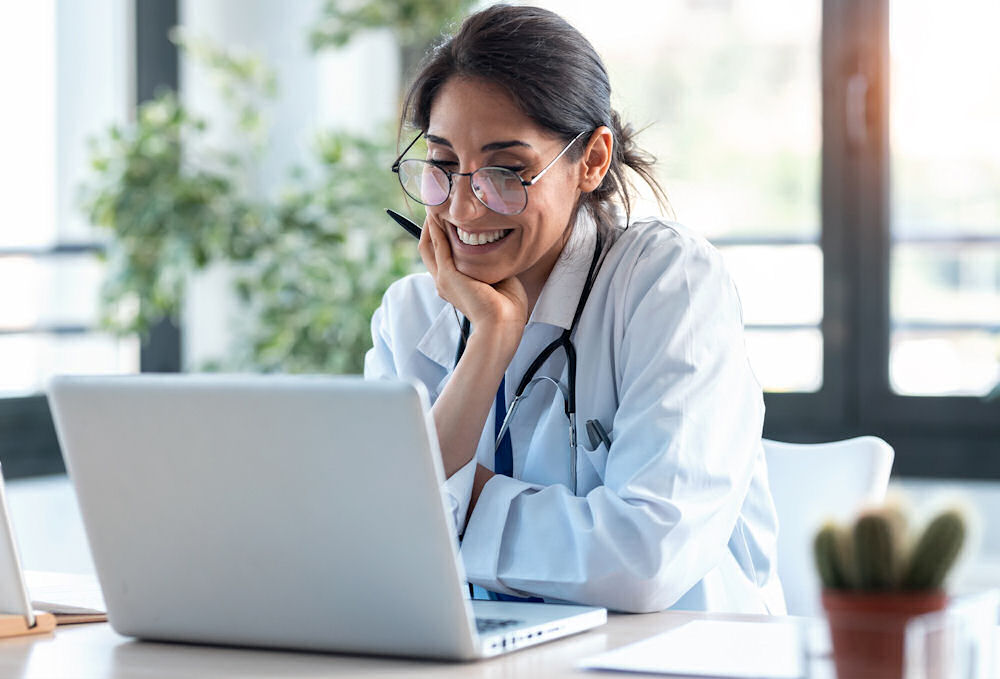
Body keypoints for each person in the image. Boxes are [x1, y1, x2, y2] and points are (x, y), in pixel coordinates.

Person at [365, 4, 785, 615]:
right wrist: (489, 341)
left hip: (679, 654)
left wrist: (454, 506)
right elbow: (377, 545)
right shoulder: (409, 316)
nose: (463, 209)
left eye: (507, 171)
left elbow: (645, 561)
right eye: (443, 166)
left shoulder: (667, 284)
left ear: (590, 160)